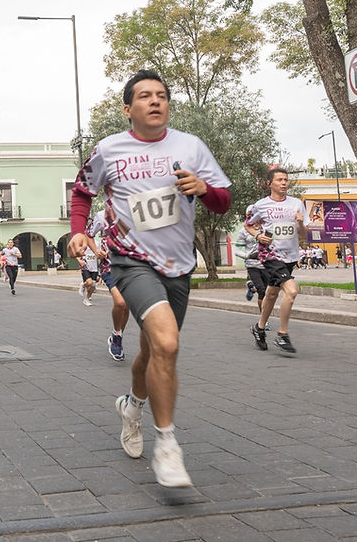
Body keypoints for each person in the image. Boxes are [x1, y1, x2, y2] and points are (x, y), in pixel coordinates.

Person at [67, 69, 231, 488]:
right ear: (129, 109)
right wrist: (79, 229)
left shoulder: (190, 147)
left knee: (154, 351)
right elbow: (83, 190)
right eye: (145, 96)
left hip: (178, 266)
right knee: (168, 343)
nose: (155, 101)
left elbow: (223, 202)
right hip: (131, 261)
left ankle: (132, 405)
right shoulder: (109, 149)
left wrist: (203, 189)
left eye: (161, 95)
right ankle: (168, 445)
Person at [246, 168, 310, 354]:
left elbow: (304, 235)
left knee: (272, 293)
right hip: (270, 255)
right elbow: (249, 225)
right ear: (270, 183)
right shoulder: (261, 205)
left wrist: (299, 223)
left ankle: (259, 328)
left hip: (290, 256)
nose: (284, 183)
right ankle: (282, 335)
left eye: (286, 180)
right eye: (280, 180)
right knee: (291, 291)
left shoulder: (297, 204)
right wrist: (258, 235)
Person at [89, 210, 131, 361]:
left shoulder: (134, 210)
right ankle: (116, 333)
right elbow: (89, 234)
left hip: (130, 267)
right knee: (120, 302)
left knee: (127, 307)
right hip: (109, 267)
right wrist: (96, 250)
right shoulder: (101, 216)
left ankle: (117, 336)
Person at [234, 205, 269, 316]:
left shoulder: (266, 229)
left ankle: (252, 288)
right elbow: (237, 250)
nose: (253, 217)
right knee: (262, 291)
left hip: (266, 264)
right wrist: (248, 256)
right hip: (252, 265)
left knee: (268, 292)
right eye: (250, 214)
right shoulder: (243, 231)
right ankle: (264, 319)